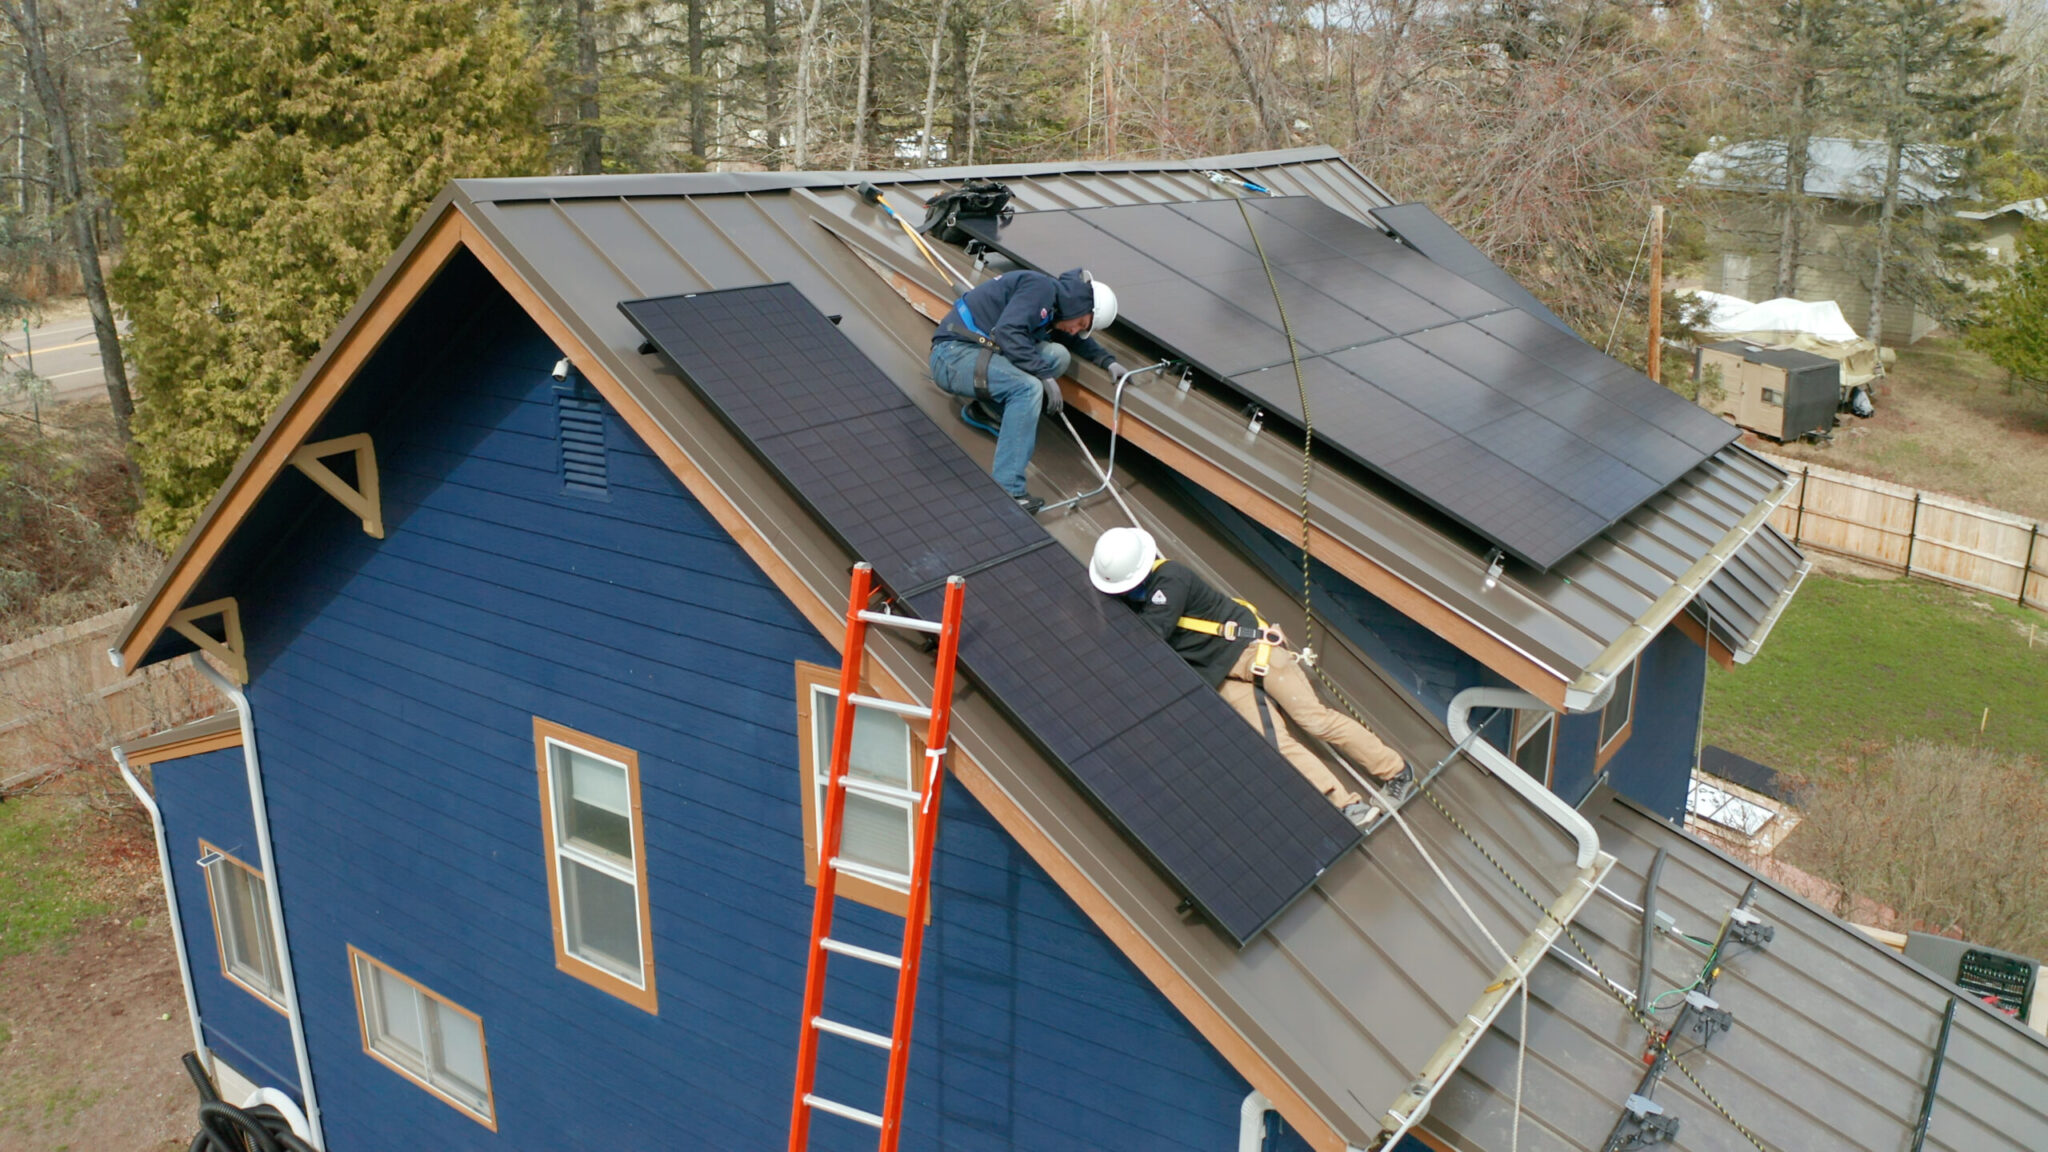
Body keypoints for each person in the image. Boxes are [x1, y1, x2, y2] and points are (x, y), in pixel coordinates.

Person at [1088, 526, 1414, 826]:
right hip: (1223, 678)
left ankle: (1397, 772)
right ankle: (1344, 805)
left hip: (1252, 650)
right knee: (1275, 745)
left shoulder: (1171, 579)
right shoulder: (1139, 602)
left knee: (1315, 720)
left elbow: (1151, 635)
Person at [931, 267, 1126, 513]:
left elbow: (1073, 340)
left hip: (979, 352)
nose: (1076, 329)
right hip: (953, 356)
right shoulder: (1040, 289)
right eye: (1081, 323)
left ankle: (986, 410)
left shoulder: (1054, 303)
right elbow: (1007, 331)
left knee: (1057, 356)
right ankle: (1008, 489)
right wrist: (1043, 375)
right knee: (1028, 388)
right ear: (1078, 306)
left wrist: (1107, 361)